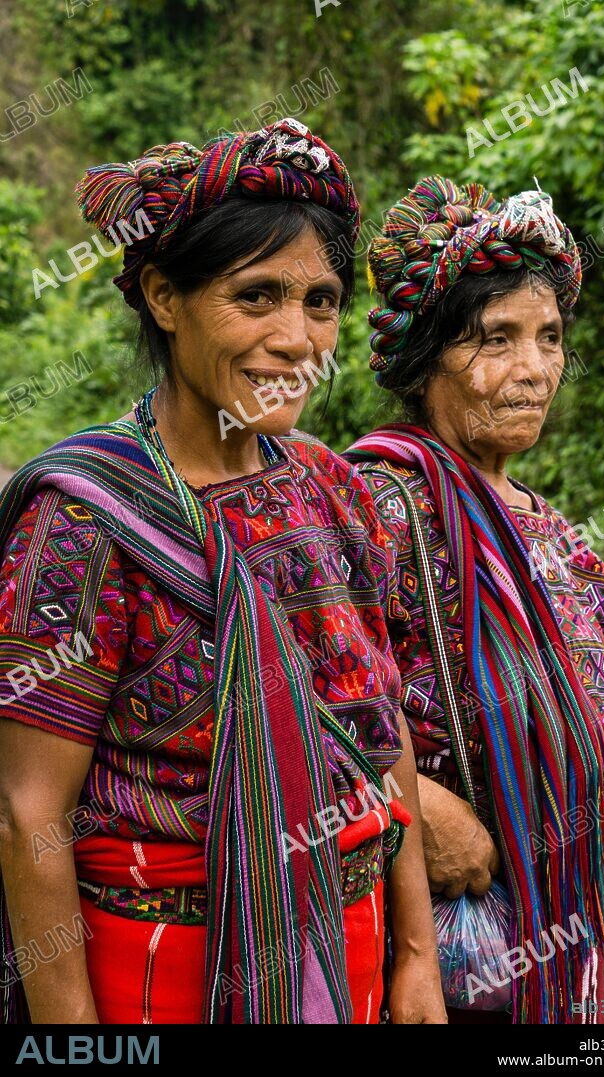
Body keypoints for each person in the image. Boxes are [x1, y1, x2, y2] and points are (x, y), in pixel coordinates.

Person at [0, 120, 445, 1025]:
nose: (296, 337)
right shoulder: (85, 518)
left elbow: (380, 724)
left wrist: (415, 957)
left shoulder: (332, 488)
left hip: (345, 949)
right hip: (161, 972)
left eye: (320, 301)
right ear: (165, 297)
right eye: (257, 296)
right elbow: (27, 813)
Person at [346, 177, 604, 1024]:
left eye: (548, 338)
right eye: (496, 339)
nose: (532, 370)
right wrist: (418, 808)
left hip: (556, 937)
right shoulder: (366, 507)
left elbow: (585, 759)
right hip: (411, 941)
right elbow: (287, 709)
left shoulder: (558, 538)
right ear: (425, 356)